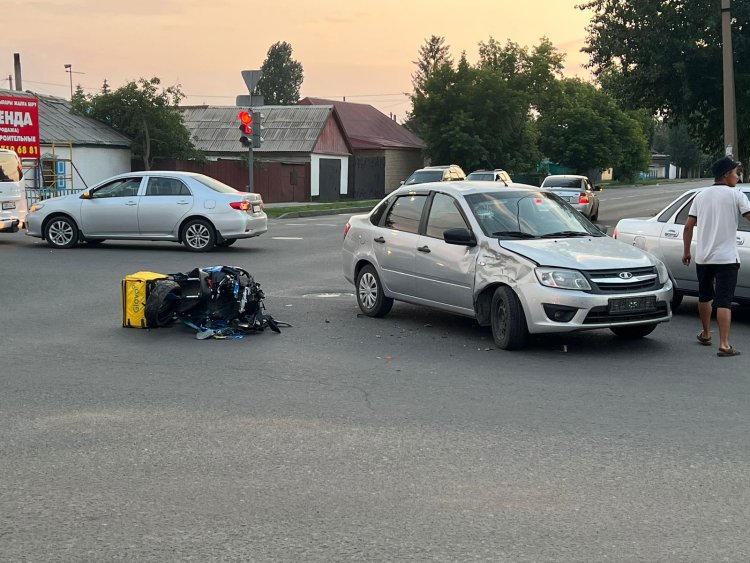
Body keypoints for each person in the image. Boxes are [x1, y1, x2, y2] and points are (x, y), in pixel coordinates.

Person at [682, 156, 750, 357]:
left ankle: (705, 333)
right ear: (726, 174)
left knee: (705, 296)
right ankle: (724, 344)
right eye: (736, 173)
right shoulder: (736, 196)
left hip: (703, 257)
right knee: (724, 301)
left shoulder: (700, 196)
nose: (738, 178)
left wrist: (687, 252)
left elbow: (688, 227)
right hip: (727, 259)